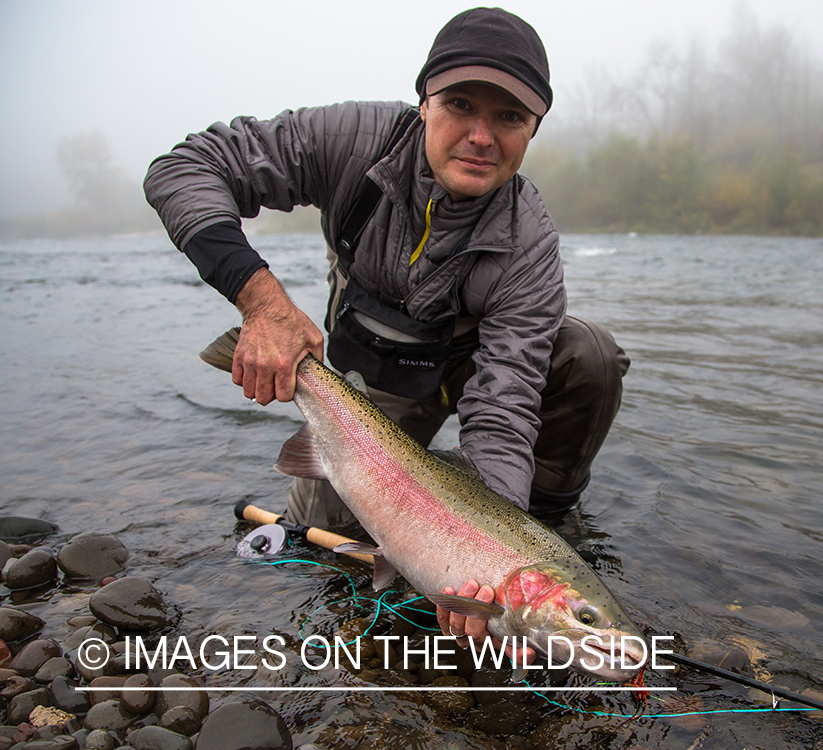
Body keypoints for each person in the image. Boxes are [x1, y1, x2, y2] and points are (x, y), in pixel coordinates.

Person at [144, 8, 628, 658]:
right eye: (459, 104)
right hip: (368, 379)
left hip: (468, 371)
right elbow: (183, 169)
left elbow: (504, 405)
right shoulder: (353, 139)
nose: (481, 136)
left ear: (532, 128)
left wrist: (492, 543)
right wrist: (260, 302)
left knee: (587, 354)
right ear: (423, 101)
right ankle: (397, 482)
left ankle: (547, 524)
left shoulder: (528, 239)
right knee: (332, 544)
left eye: (509, 117)